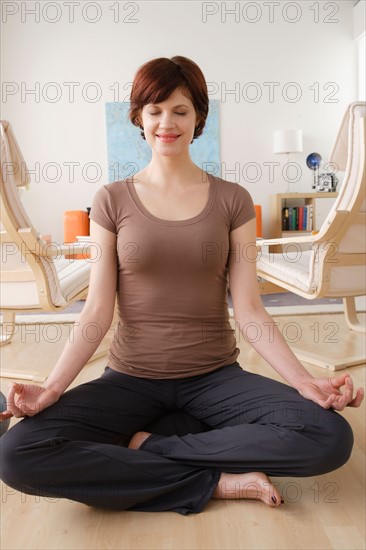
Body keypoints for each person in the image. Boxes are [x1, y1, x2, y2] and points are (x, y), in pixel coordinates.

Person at [0, 56, 364, 515]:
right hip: (129, 381)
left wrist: (305, 382)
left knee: (329, 437)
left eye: (180, 110)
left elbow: (250, 310)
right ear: (139, 117)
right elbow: (96, 311)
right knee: (16, 455)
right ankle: (212, 481)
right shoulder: (110, 200)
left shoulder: (233, 200)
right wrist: (50, 390)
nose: (166, 123)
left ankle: (152, 448)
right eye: (154, 111)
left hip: (215, 379)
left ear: (198, 118)